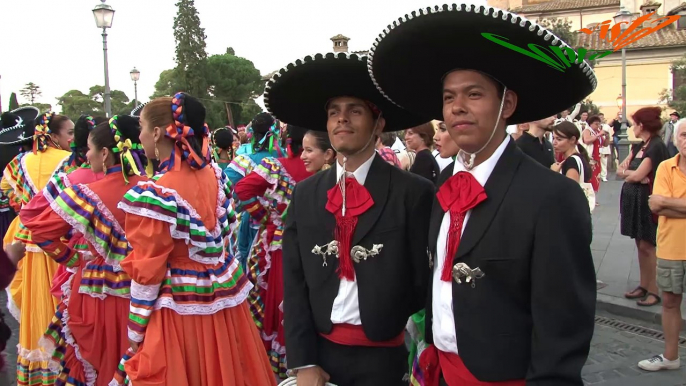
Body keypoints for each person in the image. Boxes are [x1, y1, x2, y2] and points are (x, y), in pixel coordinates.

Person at [368, 5, 596, 385]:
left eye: (474, 94)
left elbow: (563, 332)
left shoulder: (552, 198)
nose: (457, 107)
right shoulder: (440, 189)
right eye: (448, 97)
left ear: (506, 104)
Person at [265, 52, 434, 386]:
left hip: (386, 359)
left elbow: (421, 285)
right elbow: (295, 284)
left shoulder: (414, 192)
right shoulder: (306, 194)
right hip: (321, 359)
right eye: (333, 113)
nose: (342, 120)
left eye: (354, 111)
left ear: (379, 123)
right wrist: (303, 362)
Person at [117, 93, 275, 385]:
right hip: (225, 301)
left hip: (178, 308)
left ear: (156, 132)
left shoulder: (156, 194)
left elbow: (147, 271)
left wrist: (136, 329)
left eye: (141, 127)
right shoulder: (215, 175)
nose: (138, 136)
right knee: (226, 368)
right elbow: (223, 239)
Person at [25, 115, 151, 386]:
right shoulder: (156, 189)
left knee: (100, 364)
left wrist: (72, 258)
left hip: (98, 294)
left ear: (105, 153)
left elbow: (40, 231)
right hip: (147, 293)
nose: (88, 155)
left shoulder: (85, 194)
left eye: (90, 149)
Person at [234, 124, 313, 379]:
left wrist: (264, 216)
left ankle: (282, 360)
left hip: (279, 242)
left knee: (280, 297)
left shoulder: (274, 165)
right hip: (317, 241)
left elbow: (242, 189)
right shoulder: (324, 167)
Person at [1, 112, 74, 385]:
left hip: (27, 237)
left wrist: (23, 206)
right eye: (68, 133)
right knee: (60, 299)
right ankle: (63, 364)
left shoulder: (20, 162)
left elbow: (5, 185)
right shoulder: (69, 162)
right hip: (59, 239)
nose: (72, 138)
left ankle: (37, 371)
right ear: (54, 136)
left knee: (36, 301)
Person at [642, 118, 686, 371]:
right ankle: (671, 357)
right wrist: (666, 205)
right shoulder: (665, 168)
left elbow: (664, 204)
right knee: (669, 301)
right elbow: (656, 205)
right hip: (670, 246)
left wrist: (671, 204)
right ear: (676, 138)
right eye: (684, 135)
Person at [618, 106, 670, 307]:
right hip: (636, 200)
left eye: (634, 124)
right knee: (640, 244)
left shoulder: (655, 146)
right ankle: (644, 284)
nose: (632, 127)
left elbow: (638, 175)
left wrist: (631, 175)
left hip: (647, 200)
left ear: (642, 125)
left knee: (648, 245)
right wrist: (630, 175)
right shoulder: (641, 146)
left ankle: (654, 290)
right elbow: (622, 168)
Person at [0, 107, 40, 239]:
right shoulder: (24, 158)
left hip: (17, 208)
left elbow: (5, 185)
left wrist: (21, 200)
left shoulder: (16, 157)